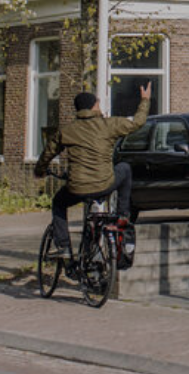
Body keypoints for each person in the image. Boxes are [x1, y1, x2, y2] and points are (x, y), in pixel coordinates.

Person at [34, 83, 149, 258]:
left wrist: (39, 171)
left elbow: (48, 153)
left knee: (59, 203)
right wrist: (145, 100)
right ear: (93, 106)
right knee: (124, 168)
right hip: (105, 183)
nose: (100, 104)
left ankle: (63, 246)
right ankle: (123, 216)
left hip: (77, 188)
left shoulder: (66, 131)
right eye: (98, 102)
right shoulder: (109, 125)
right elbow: (137, 122)